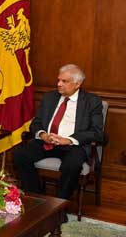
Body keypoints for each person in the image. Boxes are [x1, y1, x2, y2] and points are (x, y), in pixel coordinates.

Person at [13, 64, 104, 200]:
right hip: (47, 142)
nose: (59, 84)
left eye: (64, 81)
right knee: (20, 155)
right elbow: (36, 123)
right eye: (59, 80)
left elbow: (97, 132)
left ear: (78, 84)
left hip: (73, 146)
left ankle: (60, 203)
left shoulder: (92, 101)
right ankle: (36, 198)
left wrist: (69, 140)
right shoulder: (49, 97)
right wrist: (43, 135)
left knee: (72, 165)